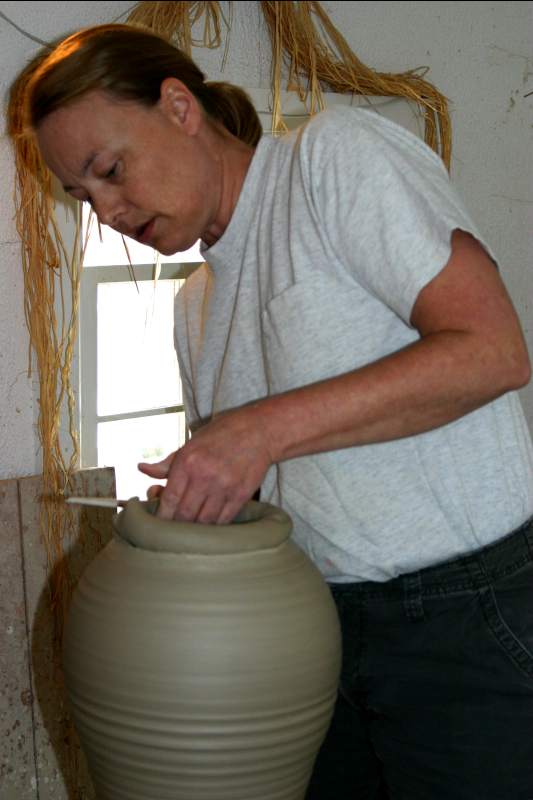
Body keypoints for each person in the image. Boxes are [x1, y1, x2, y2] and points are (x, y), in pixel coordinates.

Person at [13, 22, 533, 800]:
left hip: (465, 623)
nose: (108, 212)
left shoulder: (331, 159)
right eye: (83, 196)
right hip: (315, 630)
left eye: (111, 170)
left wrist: (253, 432)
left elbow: (492, 351)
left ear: (180, 107)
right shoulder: (196, 306)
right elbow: (275, 483)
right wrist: (199, 496)